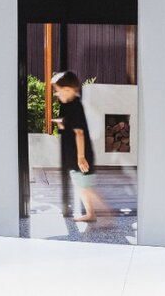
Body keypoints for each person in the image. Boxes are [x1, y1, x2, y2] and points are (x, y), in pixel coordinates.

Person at [52, 70, 106, 222]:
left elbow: (79, 133)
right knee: (81, 185)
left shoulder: (75, 106)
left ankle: (106, 216)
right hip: (74, 155)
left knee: (85, 186)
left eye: (59, 90)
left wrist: (81, 157)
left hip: (81, 155)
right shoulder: (67, 104)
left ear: (69, 90)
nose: (57, 94)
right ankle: (91, 214)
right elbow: (69, 125)